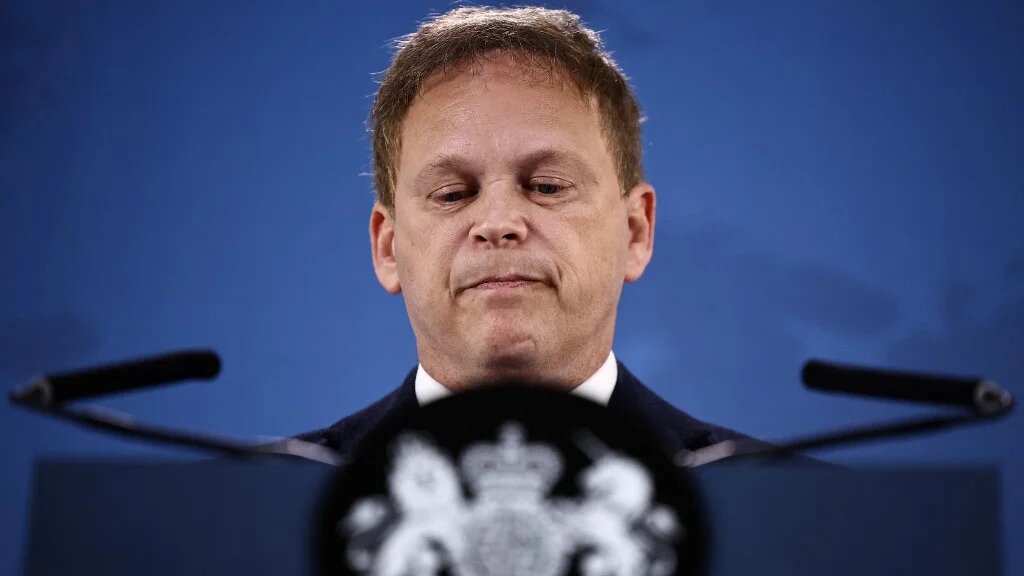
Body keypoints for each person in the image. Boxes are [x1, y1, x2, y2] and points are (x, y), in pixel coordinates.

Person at [301, 6, 755, 460]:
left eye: (546, 187)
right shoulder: (276, 500)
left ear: (636, 231)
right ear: (387, 248)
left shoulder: (776, 500)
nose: (499, 223)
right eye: (453, 194)